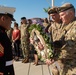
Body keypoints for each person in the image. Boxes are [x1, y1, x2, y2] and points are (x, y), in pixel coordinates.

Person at [57, 3, 76, 75]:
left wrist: (52, 56)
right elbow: (60, 42)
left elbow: (69, 51)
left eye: (62, 15)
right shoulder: (66, 26)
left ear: (71, 13)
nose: (60, 18)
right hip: (66, 67)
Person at [0, 6, 16, 75]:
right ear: (3, 18)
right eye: (10, 21)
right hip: (4, 69)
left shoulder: (2, 31)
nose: (11, 23)